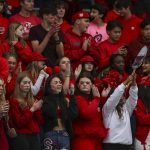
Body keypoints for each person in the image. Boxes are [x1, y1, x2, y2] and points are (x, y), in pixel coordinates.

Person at [102, 71, 138, 150]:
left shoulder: (126, 109)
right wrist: (126, 81)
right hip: (111, 146)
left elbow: (133, 98)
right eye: (120, 96)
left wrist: (134, 83)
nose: (122, 97)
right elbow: (115, 95)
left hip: (126, 146)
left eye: (123, 96)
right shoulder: (107, 109)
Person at [42, 74, 78, 150]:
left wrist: (72, 96)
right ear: (49, 86)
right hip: (50, 135)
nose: (59, 84)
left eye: (60, 82)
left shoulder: (64, 101)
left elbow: (73, 114)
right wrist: (55, 97)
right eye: (55, 82)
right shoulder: (45, 100)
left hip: (64, 134)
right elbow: (51, 113)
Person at [72, 74, 107, 150]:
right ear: (78, 86)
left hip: (96, 139)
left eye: (87, 83)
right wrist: (97, 98)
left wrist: (103, 98)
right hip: (83, 139)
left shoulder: (94, 99)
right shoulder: (77, 98)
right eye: (81, 83)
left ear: (92, 85)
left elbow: (102, 116)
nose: (84, 84)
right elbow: (86, 114)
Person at [9, 72, 44, 150]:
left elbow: (40, 121)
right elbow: (19, 122)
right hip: (22, 136)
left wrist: (37, 109)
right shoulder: (14, 101)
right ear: (18, 84)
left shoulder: (32, 99)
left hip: (35, 134)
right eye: (25, 82)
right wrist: (32, 110)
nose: (28, 85)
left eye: (29, 82)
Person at [134, 56, 150, 150]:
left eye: (146, 63)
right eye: (142, 63)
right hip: (143, 130)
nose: (143, 65)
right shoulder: (140, 80)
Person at [0, 78, 10, 150]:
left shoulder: (2, 100)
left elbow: (5, 121)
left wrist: (5, 114)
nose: (1, 88)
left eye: (2, 86)